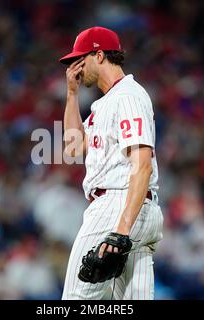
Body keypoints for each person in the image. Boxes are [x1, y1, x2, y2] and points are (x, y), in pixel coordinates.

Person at [59, 26, 164, 300]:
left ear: (100, 55)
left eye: (81, 59)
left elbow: (142, 165)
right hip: (135, 208)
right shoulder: (106, 103)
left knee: (75, 300)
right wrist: (71, 94)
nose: (76, 67)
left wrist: (121, 229)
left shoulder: (127, 96)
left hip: (117, 204)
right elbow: (73, 148)